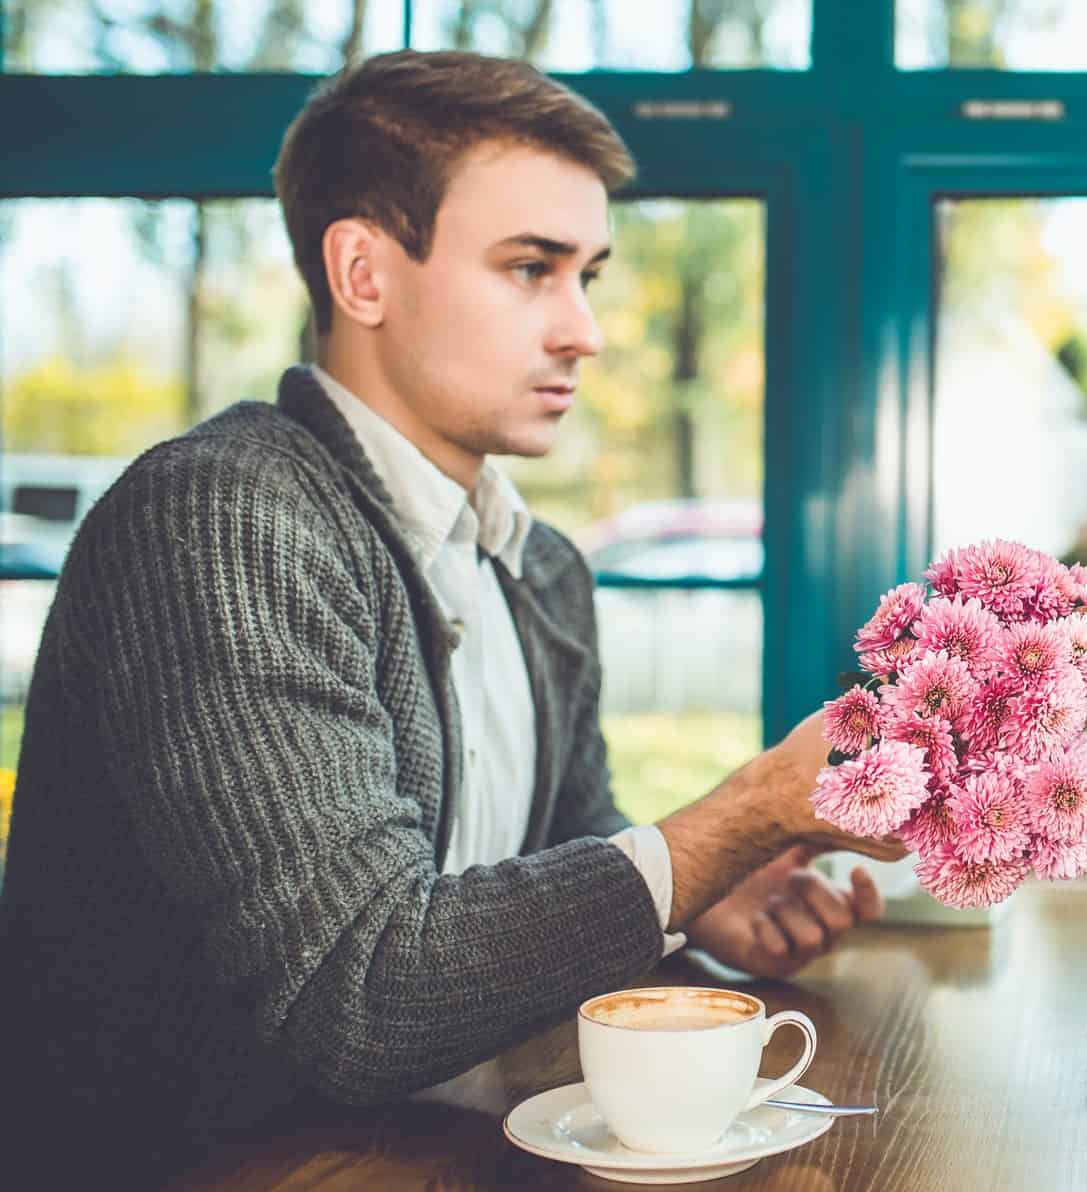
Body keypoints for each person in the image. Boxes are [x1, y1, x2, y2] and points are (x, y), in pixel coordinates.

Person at [0, 49, 899, 1174]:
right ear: (363, 273)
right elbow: (359, 989)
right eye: (532, 268)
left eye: (590, 276)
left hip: (441, 1149)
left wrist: (698, 899)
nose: (585, 330)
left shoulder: (542, 566)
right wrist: (738, 819)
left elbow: (567, 830)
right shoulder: (221, 519)